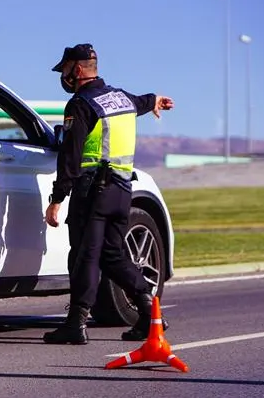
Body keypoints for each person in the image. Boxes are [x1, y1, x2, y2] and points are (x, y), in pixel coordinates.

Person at [42, 43, 174, 345]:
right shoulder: (121, 98)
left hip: (93, 192)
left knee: (85, 256)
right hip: (122, 192)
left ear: (76, 69)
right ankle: (148, 312)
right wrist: (155, 100)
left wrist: (57, 199)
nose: (64, 77)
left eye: (64, 70)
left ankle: (75, 324)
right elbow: (141, 102)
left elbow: (70, 157)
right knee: (112, 254)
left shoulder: (80, 104)